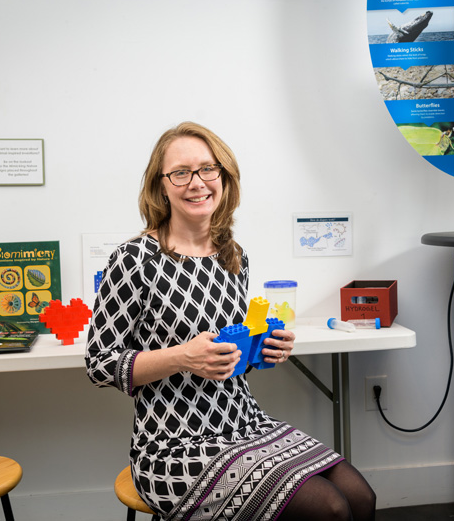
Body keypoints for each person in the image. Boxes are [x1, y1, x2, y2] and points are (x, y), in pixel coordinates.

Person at [85, 121, 376, 521]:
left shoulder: (232, 255)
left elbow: (228, 351)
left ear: (223, 177)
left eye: (208, 169)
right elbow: (100, 364)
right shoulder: (135, 259)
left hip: (243, 421)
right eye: (180, 173)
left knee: (360, 497)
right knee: (329, 508)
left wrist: (263, 350)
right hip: (172, 444)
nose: (197, 182)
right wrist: (183, 357)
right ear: (161, 186)